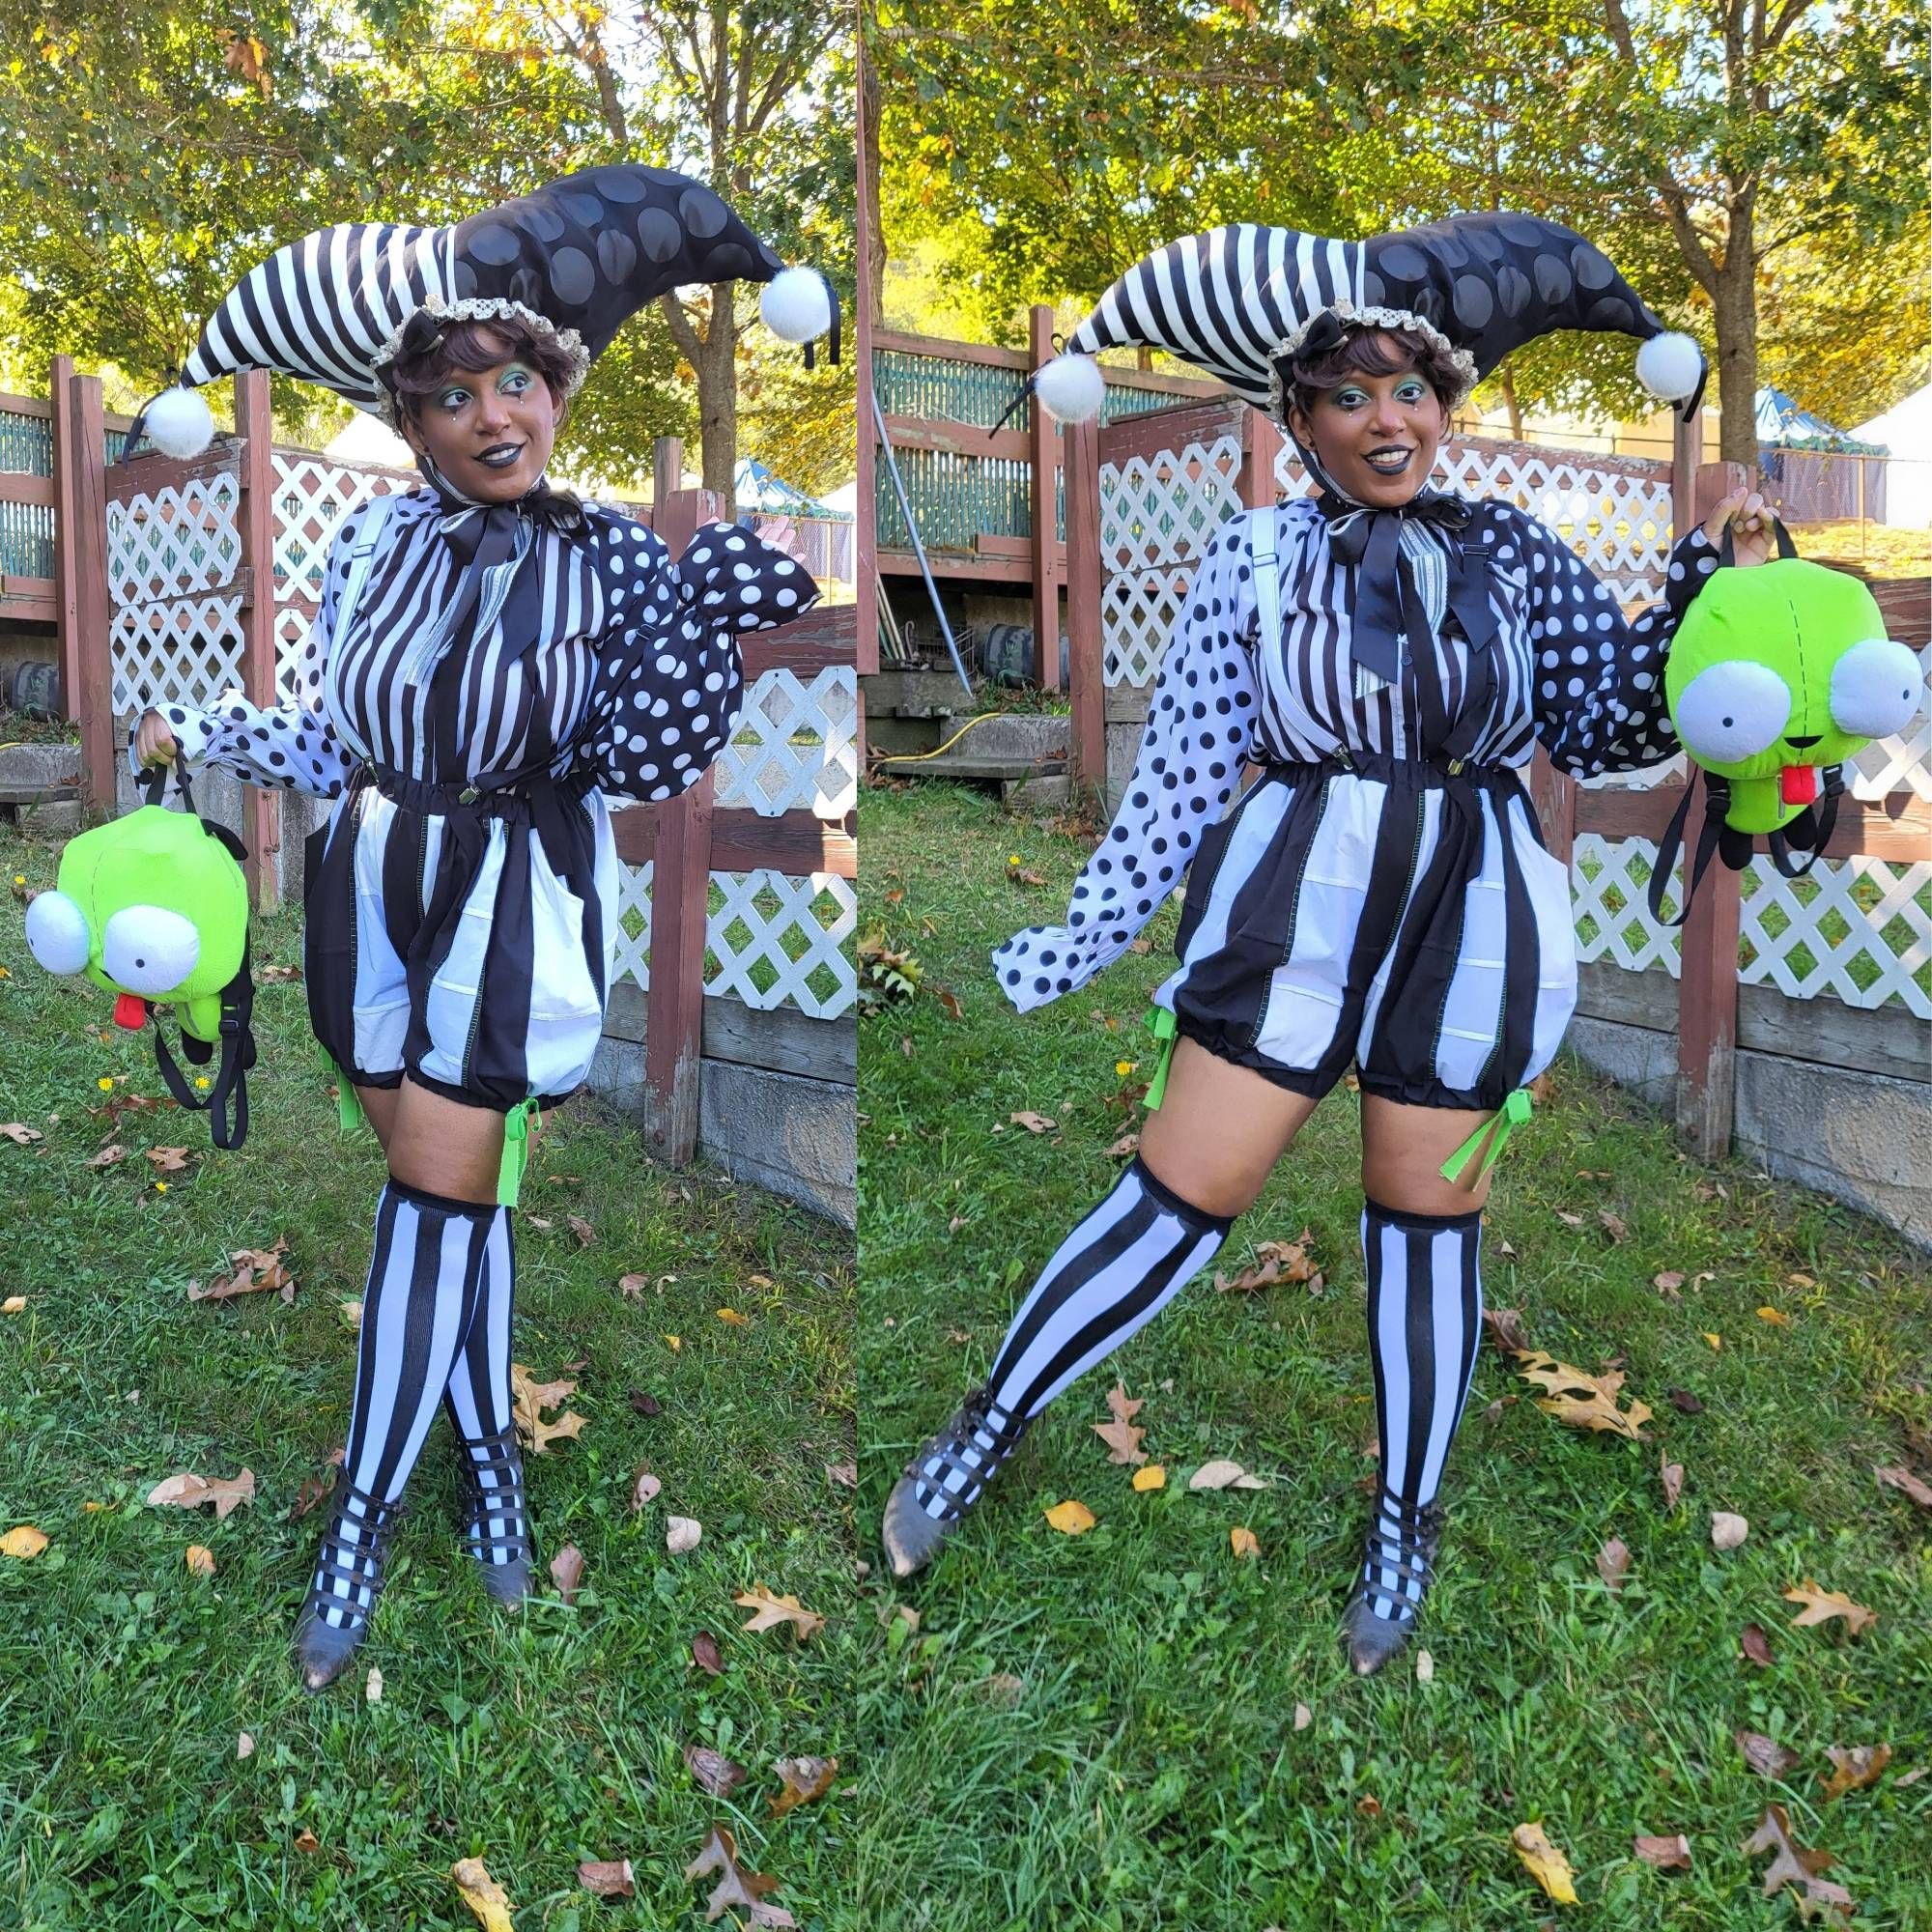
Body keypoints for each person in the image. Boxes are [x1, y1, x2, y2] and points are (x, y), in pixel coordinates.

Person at [881, 212, 1770, 1675]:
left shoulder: (1520, 555)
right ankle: (987, 1426)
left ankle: (1405, 1515)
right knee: (1179, 1193)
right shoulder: (1255, 557)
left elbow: (1609, 732)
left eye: (1410, 387)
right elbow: (1181, 770)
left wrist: (1702, 603)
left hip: (1475, 919)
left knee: (1428, 1227)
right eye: (1346, 393)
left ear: (1449, 401)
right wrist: (1089, 926)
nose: (1386, 419)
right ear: (1296, 416)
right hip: (1295, 907)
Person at [127, 162, 834, 1691]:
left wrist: (705, 619)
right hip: (372, 886)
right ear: (412, 417)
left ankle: (365, 1521)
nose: (496, 413)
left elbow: (643, 771)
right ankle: (486, 1435)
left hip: (515, 900)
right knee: (444, 1199)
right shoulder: (373, 549)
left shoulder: (613, 560)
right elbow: (342, 738)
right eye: (455, 394)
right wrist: (205, 728)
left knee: (437, 1202)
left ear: (558, 385)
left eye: (520, 378)